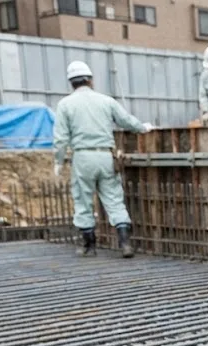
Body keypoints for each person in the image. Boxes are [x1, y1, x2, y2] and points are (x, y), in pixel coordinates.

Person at [53, 60, 152, 258]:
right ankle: (125, 244)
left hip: (82, 157)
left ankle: (89, 247)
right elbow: (126, 120)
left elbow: (61, 138)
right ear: (90, 80)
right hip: (105, 155)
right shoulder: (106, 101)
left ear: (71, 83)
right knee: (114, 199)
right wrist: (143, 128)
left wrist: (58, 161)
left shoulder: (65, 105)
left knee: (83, 201)